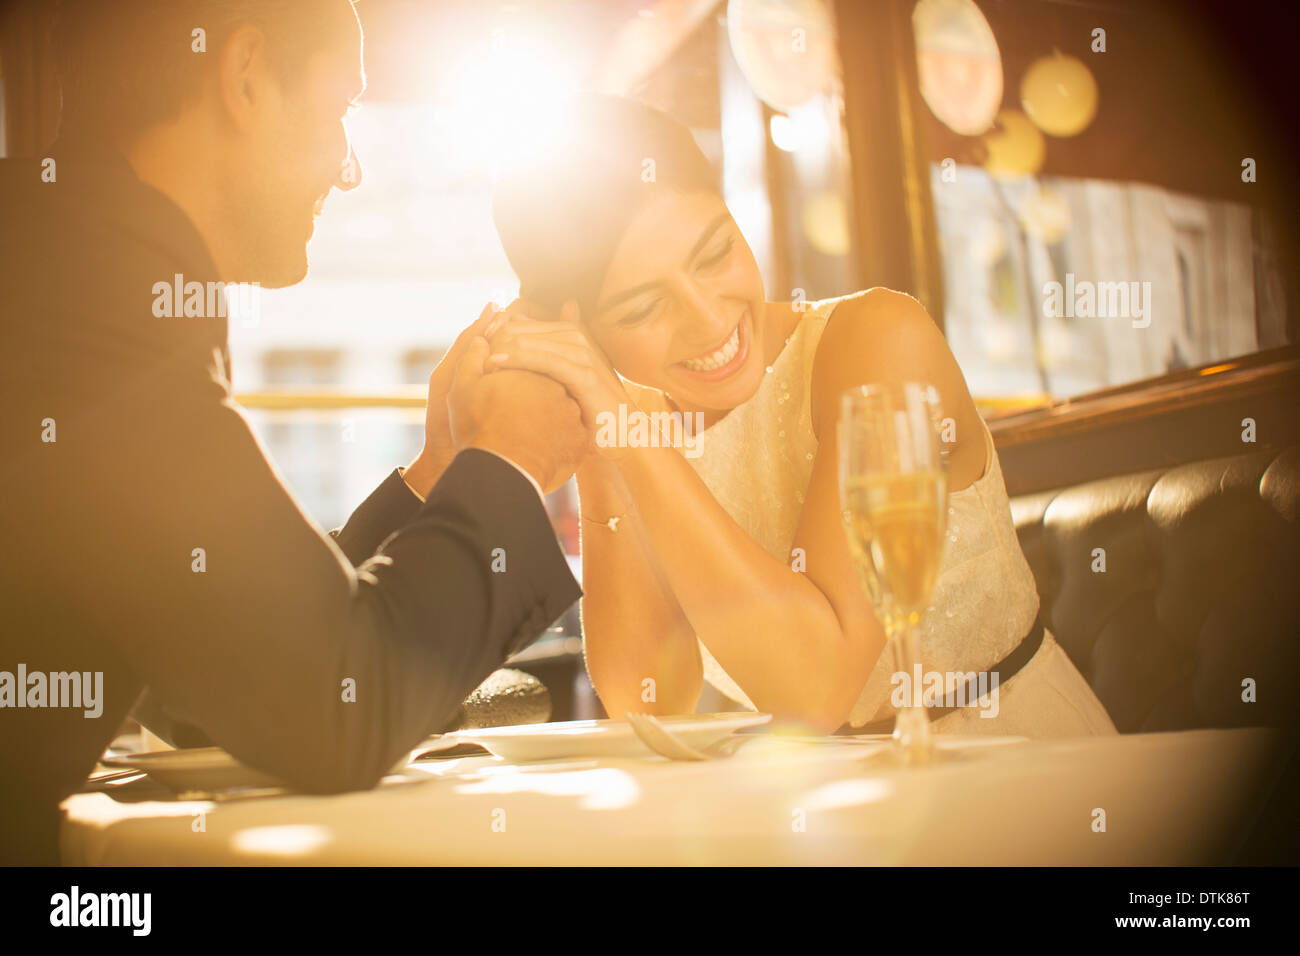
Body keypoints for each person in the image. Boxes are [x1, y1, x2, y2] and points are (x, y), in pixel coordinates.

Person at [0, 0, 587, 864]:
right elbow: (331, 706)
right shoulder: (88, 298)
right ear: (244, 78)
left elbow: (212, 679)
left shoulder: (66, 255)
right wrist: (510, 461)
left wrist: (438, 471)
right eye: (341, 108)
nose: (349, 170)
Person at [487, 94, 1117, 737]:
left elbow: (820, 691)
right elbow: (651, 698)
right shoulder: (635, 421)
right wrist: (603, 429)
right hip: (842, 809)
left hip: (1018, 766)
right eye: (644, 308)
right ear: (585, 332)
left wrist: (628, 433)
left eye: (714, 254)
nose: (709, 319)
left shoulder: (880, 340)